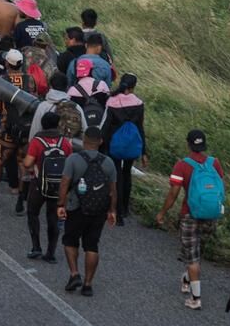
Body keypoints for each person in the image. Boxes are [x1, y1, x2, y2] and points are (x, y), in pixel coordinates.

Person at [158, 129, 226, 309]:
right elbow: (220, 188)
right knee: (196, 253)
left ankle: (196, 299)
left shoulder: (182, 165)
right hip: (211, 214)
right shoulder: (215, 163)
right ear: (204, 144)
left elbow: (174, 192)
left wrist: (162, 212)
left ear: (188, 144)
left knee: (192, 258)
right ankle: (187, 279)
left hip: (190, 214)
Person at [56, 123, 116, 295]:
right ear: (101, 141)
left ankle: (75, 273)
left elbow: (65, 183)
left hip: (76, 207)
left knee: (70, 240)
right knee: (92, 245)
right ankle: (88, 284)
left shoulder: (73, 159)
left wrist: (61, 205)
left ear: (83, 141)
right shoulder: (109, 163)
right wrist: (112, 211)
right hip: (98, 209)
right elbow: (113, 190)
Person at [21, 111, 71, 262]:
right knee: (53, 218)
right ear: (57, 125)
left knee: (32, 212)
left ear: (43, 124)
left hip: (39, 184)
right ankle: (51, 253)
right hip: (59, 187)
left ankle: (36, 247)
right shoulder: (65, 142)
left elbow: (28, 163)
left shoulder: (37, 141)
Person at [103, 73, 147, 224]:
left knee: (116, 176)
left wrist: (102, 143)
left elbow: (107, 126)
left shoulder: (112, 101)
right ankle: (125, 208)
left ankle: (117, 209)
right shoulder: (139, 103)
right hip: (132, 144)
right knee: (127, 174)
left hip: (115, 144)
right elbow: (141, 128)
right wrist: (144, 151)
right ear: (133, 87)